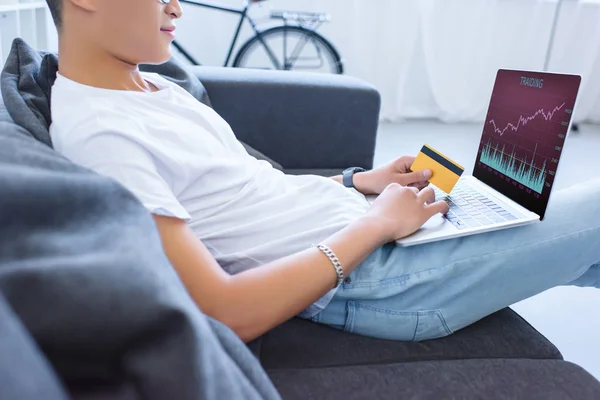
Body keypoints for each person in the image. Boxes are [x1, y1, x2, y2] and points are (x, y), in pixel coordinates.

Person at [47, 0, 600, 343]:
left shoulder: (153, 85)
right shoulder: (102, 133)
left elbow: (245, 192)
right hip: (378, 285)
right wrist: (378, 225)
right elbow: (224, 311)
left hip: (375, 239)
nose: (177, 7)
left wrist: (360, 183)